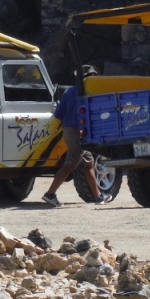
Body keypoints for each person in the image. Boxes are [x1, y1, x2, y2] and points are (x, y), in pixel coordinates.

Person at [42, 66, 110, 207]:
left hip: (69, 130)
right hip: (79, 131)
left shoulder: (68, 92)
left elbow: (59, 114)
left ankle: (98, 196)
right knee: (70, 164)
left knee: (89, 163)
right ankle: (50, 194)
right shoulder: (89, 91)